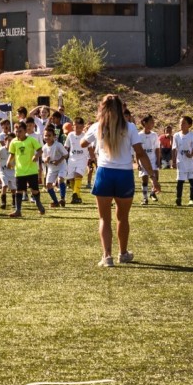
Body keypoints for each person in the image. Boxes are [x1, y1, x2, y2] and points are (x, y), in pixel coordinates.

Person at [81, 94, 159, 267]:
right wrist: (153, 176)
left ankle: (107, 256)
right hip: (124, 175)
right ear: (121, 108)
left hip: (104, 174)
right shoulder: (130, 127)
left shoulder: (98, 126)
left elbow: (82, 144)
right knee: (122, 218)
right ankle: (123, 253)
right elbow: (140, 153)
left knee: (104, 218)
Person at [7, 121, 45, 217]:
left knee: (34, 190)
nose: (18, 133)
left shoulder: (31, 140)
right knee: (19, 190)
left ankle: (39, 204)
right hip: (20, 171)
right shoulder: (14, 142)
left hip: (31, 170)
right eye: (16, 131)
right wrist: (8, 161)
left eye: (20, 131)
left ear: (25, 131)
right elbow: (12, 154)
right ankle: (18, 210)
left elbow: (40, 150)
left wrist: (36, 156)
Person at [172, 116, 193, 206]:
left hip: (191, 162)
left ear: (189, 125)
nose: (181, 125)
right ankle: (178, 198)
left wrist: (191, 155)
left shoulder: (192, 135)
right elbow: (174, 149)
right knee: (180, 181)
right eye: (180, 123)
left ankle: (192, 199)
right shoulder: (176, 135)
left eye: (183, 123)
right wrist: (174, 161)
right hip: (181, 162)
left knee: (192, 180)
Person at [64, 118, 89, 205]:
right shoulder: (70, 135)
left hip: (82, 159)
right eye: (75, 126)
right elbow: (66, 147)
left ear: (82, 127)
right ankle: (77, 196)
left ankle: (75, 194)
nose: (76, 128)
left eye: (79, 126)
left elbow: (90, 147)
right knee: (71, 178)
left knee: (77, 175)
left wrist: (91, 158)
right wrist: (62, 155)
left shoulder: (85, 135)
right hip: (72, 159)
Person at [41, 126, 68, 208]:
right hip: (51, 168)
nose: (47, 137)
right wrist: (46, 159)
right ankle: (56, 202)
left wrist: (58, 161)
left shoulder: (58, 145)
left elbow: (66, 154)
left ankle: (62, 199)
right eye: (45, 135)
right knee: (48, 185)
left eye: (49, 135)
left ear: (54, 136)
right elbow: (43, 158)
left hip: (61, 166)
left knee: (60, 180)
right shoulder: (44, 147)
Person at [137, 115, 160, 204]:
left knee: (155, 177)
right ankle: (145, 197)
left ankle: (153, 193)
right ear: (144, 123)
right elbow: (137, 150)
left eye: (153, 122)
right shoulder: (139, 135)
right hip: (143, 161)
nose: (153, 124)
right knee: (145, 179)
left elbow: (157, 148)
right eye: (151, 122)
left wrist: (158, 160)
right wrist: (138, 163)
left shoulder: (154, 135)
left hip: (153, 160)